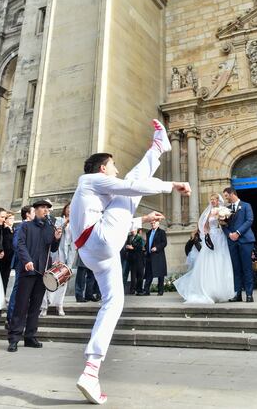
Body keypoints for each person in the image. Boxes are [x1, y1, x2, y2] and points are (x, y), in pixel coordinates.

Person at [70, 119, 191, 405]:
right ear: (102, 168)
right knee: (133, 185)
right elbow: (131, 185)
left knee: (114, 303)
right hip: (100, 240)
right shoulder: (89, 180)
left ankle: (91, 369)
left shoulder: (94, 194)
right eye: (113, 166)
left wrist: (142, 220)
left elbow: (113, 219)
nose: (116, 169)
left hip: (93, 250)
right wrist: (172, 184)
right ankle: (159, 145)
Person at [7, 200, 62, 352]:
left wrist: (57, 237)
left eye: (47, 209)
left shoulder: (50, 227)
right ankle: (14, 338)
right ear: (35, 210)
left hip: (42, 272)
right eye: (43, 208)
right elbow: (20, 245)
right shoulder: (25, 226)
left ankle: (30, 336)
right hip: (28, 270)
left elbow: (52, 248)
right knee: (21, 304)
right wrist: (27, 260)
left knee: (36, 306)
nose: (46, 211)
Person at [174, 193, 234, 304]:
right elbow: (205, 225)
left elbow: (227, 224)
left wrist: (222, 221)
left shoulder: (223, 209)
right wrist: (206, 234)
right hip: (211, 238)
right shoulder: (209, 211)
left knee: (220, 261)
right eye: (210, 199)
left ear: (217, 200)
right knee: (208, 262)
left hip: (220, 237)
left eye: (213, 199)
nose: (211, 201)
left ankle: (221, 290)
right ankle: (208, 289)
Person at [41, 202, 76, 316]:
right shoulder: (58, 220)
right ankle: (45, 306)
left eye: (72, 208)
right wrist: (66, 221)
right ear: (65, 209)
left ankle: (59, 305)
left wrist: (70, 262)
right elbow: (57, 232)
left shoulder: (76, 223)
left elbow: (74, 242)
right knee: (50, 279)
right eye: (68, 208)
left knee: (63, 282)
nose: (70, 210)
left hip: (68, 255)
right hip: (56, 254)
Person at [222, 187, 256, 303]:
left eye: (226, 196)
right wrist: (229, 234)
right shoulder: (225, 209)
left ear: (232, 194)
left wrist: (238, 232)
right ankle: (237, 294)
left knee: (247, 268)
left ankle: (249, 294)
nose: (225, 198)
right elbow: (223, 225)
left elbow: (249, 220)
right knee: (236, 269)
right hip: (232, 242)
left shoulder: (246, 206)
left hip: (245, 241)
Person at [7, 205, 36, 326]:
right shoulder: (21, 227)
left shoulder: (32, 227)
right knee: (17, 289)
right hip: (22, 263)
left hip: (29, 264)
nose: (35, 213)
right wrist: (26, 259)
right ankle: (10, 318)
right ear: (28, 214)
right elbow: (17, 244)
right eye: (33, 211)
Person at [142, 221, 168, 296]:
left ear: (158, 224)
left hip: (158, 256)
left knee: (160, 274)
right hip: (150, 256)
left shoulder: (161, 232)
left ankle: (160, 291)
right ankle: (146, 291)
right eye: (151, 223)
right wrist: (145, 248)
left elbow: (164, 243)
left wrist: (156, 248)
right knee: (148, 274)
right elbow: (148, 243)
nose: (152, 224)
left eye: (154, 223)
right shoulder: (149, 232)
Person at [0, 211, 15, 294]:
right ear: (5, 220)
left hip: (9, 258)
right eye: (10, 218)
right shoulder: (3, 230)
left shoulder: (12, 229)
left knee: (6, 278)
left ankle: (3, 295)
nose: (12, 220)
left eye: (13, 218)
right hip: (3, 258)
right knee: (2, 278)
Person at [126, 229, 145, 295]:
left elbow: (141, 248)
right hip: (132, 259)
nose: (132, 231)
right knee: (133, 276)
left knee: (140, 275)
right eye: (131, 230)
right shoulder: (129, 237)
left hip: (139, 259)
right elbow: (127, 245)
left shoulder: (140, 238)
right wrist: (127, 247)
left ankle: (139, 289)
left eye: (133, 230)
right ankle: (132, 290)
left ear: (137, 231)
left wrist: (133, 247)